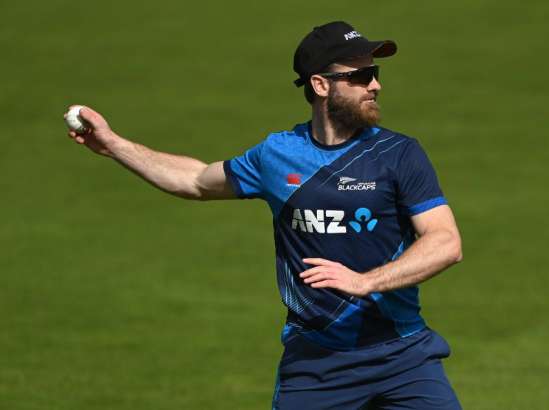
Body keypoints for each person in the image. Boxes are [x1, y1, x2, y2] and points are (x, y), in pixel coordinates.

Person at [66, 21, 463, 410]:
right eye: (361, 75)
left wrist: (366, 281)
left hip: (404, 355)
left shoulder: (398, 154)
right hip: (318, 363)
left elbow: (445, 241)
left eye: (373, 74)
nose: (375, 84)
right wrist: (115, 145)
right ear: (320, 85)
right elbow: (196, 181)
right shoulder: (276, 156)